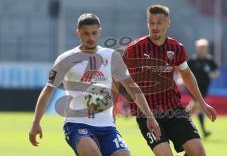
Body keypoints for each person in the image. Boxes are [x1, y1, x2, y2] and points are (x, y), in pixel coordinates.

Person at [28, 13, 160, 156]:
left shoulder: (112, 56)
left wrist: (150, 116)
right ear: (78, 32)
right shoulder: (65, 59)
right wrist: (36, 122)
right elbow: (48, 91)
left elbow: (132, 87)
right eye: (86, 34)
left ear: (99, 31)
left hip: (107, 126)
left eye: (94, 33)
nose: (90, 38)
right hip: (77, 124)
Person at [120, 5, 217, 156]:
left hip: (174, 110)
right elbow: (125, 81)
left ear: (168, 23)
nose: (155, 27)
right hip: (147, 114)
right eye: (151, 22)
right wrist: (123, 103)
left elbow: (186, 75)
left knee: (199, 152)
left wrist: (202, 103)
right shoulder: (134, 49)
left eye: (159, 22)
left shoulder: (176, 48)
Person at [187, 38, 219, 138]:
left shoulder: (209, 60)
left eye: (204, 47)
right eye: (200, 47)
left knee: (193, 108)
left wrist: (213, 74)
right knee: (198, 105)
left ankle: (179, 121)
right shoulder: (192, 61)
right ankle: (203, 131)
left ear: (206, 49)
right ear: (197, 48)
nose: (202, 49)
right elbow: (185, 72)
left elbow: (216, 72)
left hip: (204, 88)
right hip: (193, 88)